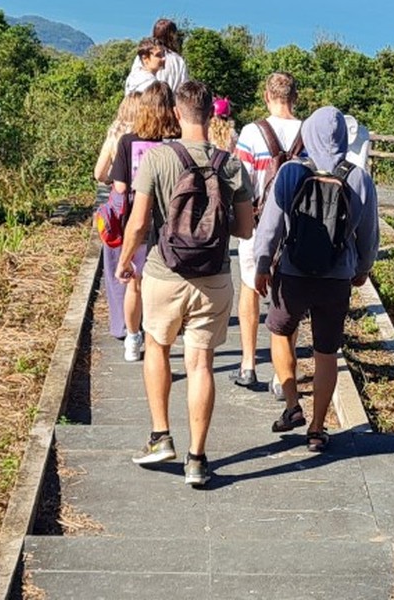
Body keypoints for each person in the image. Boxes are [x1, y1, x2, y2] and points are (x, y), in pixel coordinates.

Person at [117, 80, 254, 487]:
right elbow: (245, 229)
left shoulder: (158, 159)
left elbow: (140, 223)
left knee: (157, 347)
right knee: (201, 364)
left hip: (164, 273)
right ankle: (197, 459)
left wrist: (126, 262)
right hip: (213, 278)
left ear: (177, 113)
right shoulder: (231, 165)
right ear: (212, 115)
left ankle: (161, 437)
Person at [253, 106, 379, 454]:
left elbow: (271, 226)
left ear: (307, 134)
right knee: (327, 352)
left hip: (293, 272)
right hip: (336, 277)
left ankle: (292, 404)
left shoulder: (292, 171)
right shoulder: (358, 177)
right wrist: (362, 268)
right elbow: (368, 233)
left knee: (279, 332)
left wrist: (263, 264)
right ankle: (317, 428)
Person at [229, 72, 303, 392]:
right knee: (289, 299)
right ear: (295, 97)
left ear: (266, 96)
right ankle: (281, 375)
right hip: (298, 228)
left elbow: (239, 182)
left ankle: (248, 363)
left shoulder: (251, 133)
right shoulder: (308, 132)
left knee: (250, 289)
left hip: (257, 225)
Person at [106, 82, 180, 360]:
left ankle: (133, 339)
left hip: (137, 219)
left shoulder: (129, 141)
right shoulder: (178, 140)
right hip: (172, 222)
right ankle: (159, 338)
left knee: (134, 282)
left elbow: (121, 188)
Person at [125, 19, 188, 94]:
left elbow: (132, 82)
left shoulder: (144, 55)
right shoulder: (178, 60)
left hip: (142, 100)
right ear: (172, 36)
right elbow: (183, 87)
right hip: (167, 101)